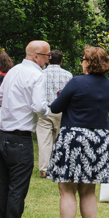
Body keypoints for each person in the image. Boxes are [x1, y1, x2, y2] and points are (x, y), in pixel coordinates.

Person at [45, 46, 109, 218]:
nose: (82, 61)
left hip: (75, 137)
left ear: (88, 62)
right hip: (99, 138)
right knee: (88, 190)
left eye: (83, 59)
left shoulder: (76, 81)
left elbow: (56, 107)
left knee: (67, 189)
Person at [0, 40, 51, 218]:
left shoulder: (13, 71)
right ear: (36, 56)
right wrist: (47, 110)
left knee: (4, 185)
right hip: (21, 137)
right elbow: (37, 105)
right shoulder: (37, 75)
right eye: (46, 56)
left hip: (3, 135)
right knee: (18, 187)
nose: (48, 59)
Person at [38, 50, 73, 178]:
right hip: (62, 111)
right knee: (61, 140)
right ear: (61, 61)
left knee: (44, 141)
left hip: (45, 110)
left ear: (48, 60)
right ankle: (60, 165)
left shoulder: (41, 74)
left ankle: (45, 169)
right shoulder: (68, 75)